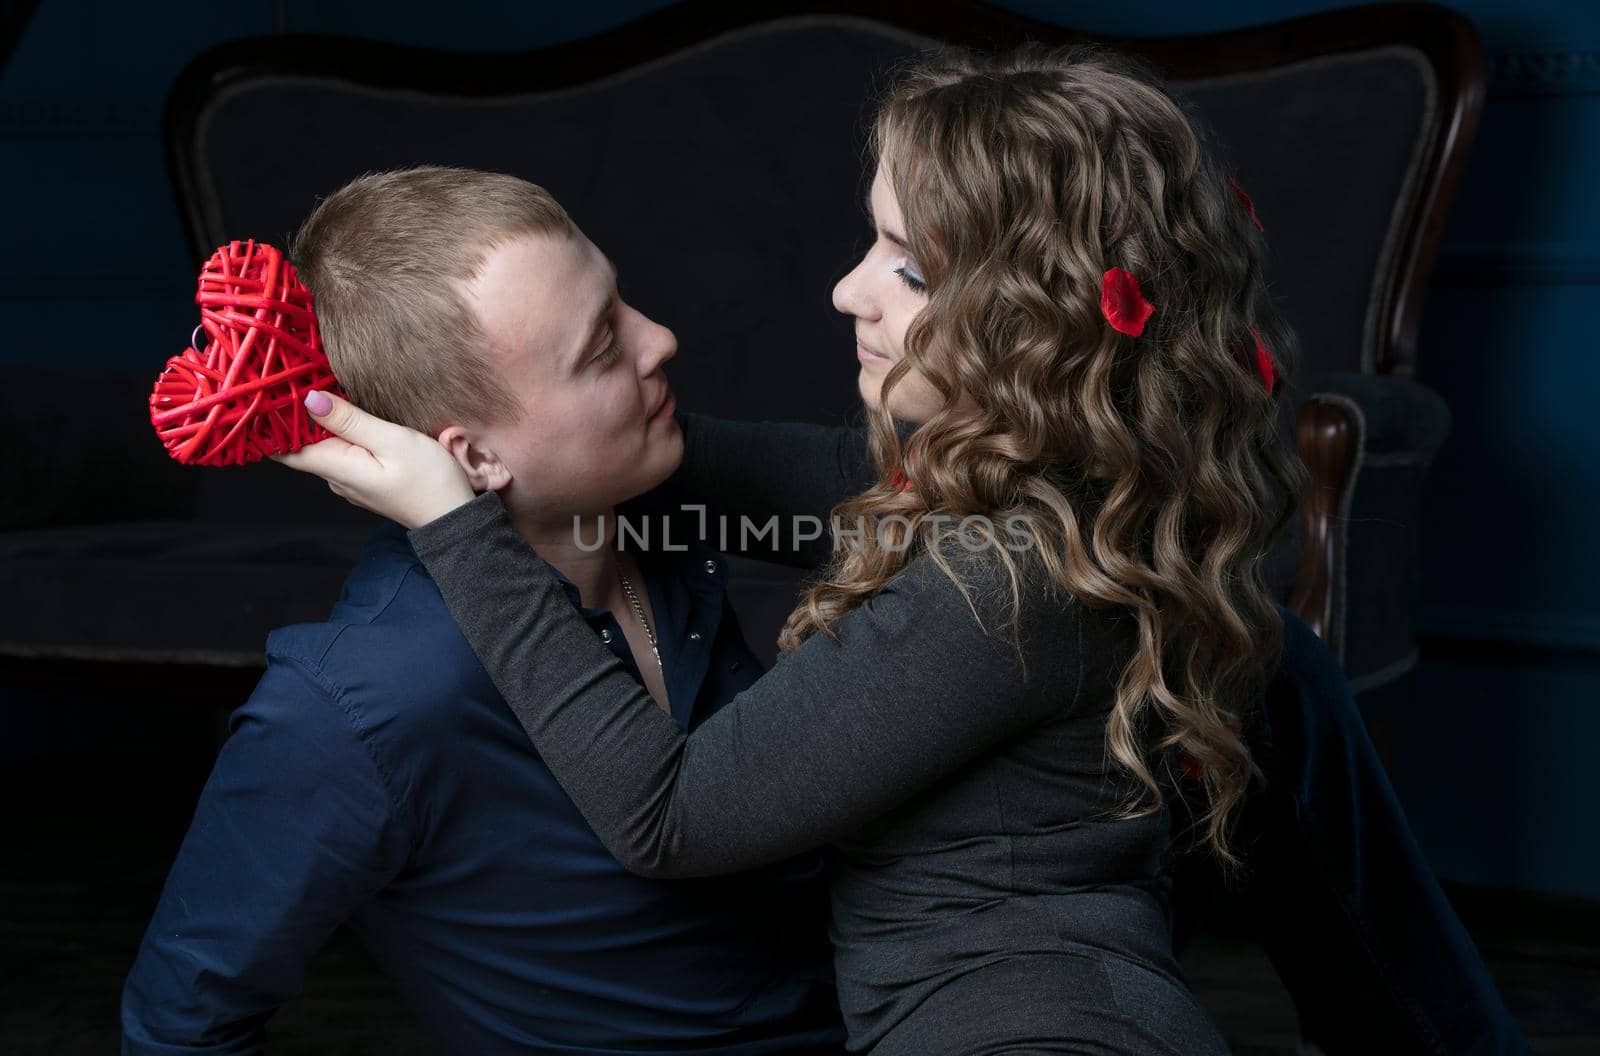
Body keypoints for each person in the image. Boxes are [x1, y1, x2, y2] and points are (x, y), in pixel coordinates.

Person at [283, 45, 1531, 1056]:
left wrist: (460, 525)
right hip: (1047, 1006)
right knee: (1291, 677)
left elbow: (668, 817)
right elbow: (739, 482)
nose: (847, 292)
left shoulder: (1003, 580)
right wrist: (524, 440)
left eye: (909, 265)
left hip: (1028, 1033)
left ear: (1032, 322)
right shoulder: (1044, 488)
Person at [121, 167, 846, 1055]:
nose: (660, 339)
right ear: (473, 456)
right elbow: (181, 1024)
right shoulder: (362, 702)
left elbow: (916, 498)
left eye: (622, 303)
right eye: (601, 350)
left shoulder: (654, 520)